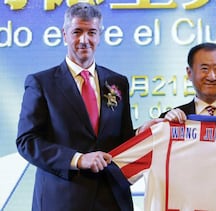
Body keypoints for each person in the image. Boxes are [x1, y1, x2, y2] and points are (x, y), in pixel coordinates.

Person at [16, 3, 136, 211]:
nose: (84, 40)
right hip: (62, 200)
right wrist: (78, 159)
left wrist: (147, 132)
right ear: (64, 35)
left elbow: (122, 139)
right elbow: (27, 141)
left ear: (100, 35)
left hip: (112, 199)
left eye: (91, 32)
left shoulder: (118, 82)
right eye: (77, 32)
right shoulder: (41, 83)